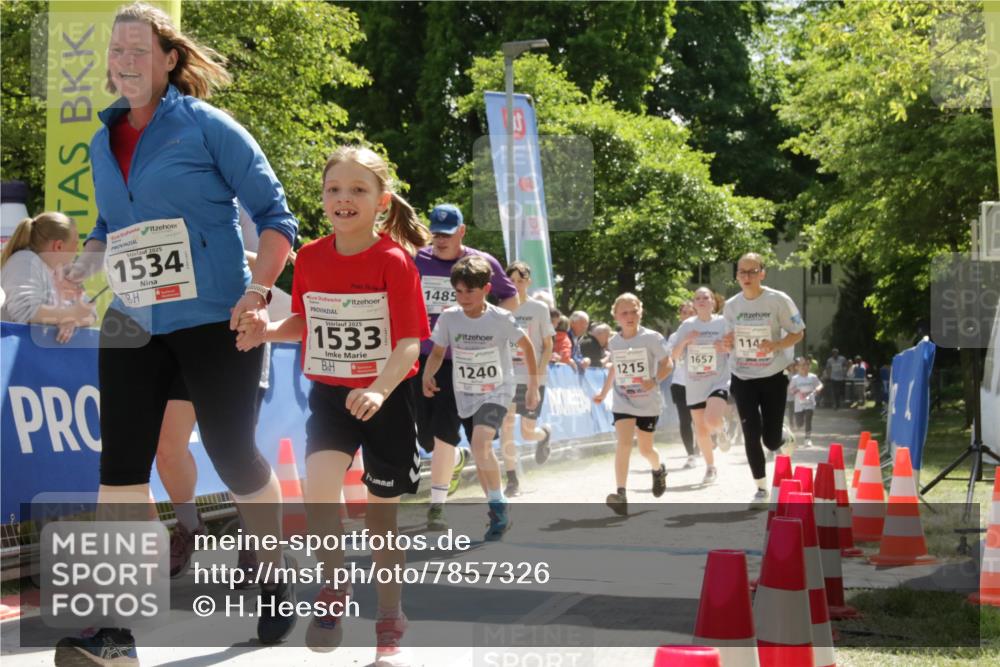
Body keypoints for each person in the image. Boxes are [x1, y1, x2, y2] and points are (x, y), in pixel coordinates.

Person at [56, 4, 298, 662]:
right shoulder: (101, 140)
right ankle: (115, 631)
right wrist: (86, 263)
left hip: (214, 318)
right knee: (120, 470)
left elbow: (277, 217)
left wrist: (256, 292)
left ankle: (275, 571)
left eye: (139, 49)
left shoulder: (207, 126)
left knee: (233, 453)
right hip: (134, 320)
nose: (125, 61)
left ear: (168, 59)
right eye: (116, 51)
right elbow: (113, 228)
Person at [248, 145, 430, 664]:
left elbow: (411, 342)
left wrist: (378, 388)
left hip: (386, 399)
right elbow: (304, 321)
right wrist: (266, 331)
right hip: (330, 394)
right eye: (334, 190)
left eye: (357, 190)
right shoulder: (309, 257)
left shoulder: (394, 261)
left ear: (381, 202)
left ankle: (390, 619)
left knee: (380, 521)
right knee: (319, 485)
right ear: (323, 198)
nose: (343, 199)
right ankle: (334, 585)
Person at [411, 204, 518, 530]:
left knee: (475, 440)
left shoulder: (482, 263)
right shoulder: (417, 260)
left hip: (469, 363)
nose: (441, 240)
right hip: (428, 360)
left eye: (448, 233)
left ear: (462, 231)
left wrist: (490, 335)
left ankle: (440, 507)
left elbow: (509, 298)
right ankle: (455, 462)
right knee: (428, 439)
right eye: (436, 233)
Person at [422, 255, 539, 540]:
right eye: (458, 291)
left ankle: (498, 507)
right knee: (480, 449)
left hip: (498, 389)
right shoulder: (449, 317)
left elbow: (527, 347)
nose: (463, 298)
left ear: (487, 289)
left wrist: (534, 386)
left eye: (470, 291)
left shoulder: (500, 318)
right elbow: (438, 352)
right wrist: (428, 374)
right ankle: (497, 504)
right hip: (466, 390)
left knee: (480, 441)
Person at [721, 253, 805, 508]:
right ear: (736, 276)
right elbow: (728, 340)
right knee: (750, 431)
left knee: (770, 440)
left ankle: (782, 436)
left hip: (773, 375)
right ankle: (760, 489)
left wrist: (776, 344)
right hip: (742, 375)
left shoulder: (778, 300)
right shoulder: (731, 305)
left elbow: (798, 333)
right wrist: (727, 342)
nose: (746, 277)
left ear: (762, 273)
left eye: (752, 271)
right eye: (742, 272)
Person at [593, 293, 672, 516]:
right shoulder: (615, 341)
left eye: (633, 312)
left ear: (640, 312)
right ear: (616, 316)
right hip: (623, 400)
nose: (629, 316)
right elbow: (615, 368)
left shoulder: (652, 338)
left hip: (647, 402)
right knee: (624, 444)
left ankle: (658, 470)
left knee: (646, 449)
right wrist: (603, 393)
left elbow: (668, 364)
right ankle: (621, 494)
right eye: (624, 313)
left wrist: (654, 380)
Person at [500, 261, 554, 497]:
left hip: (532, 377)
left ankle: (545, 435)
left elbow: (548, 344)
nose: (516, 285)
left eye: (521, 281)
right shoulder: (500, 308)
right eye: (512, 280)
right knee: (506, 427)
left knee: (527, 432)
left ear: (528, 282)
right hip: (507, 377)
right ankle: (512, 480)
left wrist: (537, 377)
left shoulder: (539, 309)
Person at [0, 212, 96, 342]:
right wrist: (70, 315)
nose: (78, 249)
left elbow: (91, 313)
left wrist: (71, 321)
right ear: (59, 246)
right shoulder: (24, 261)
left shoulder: (61, 272)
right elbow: (25, 312)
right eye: (75, 243)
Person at [670, 288, 731, 485]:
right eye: (698, 298)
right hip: (695, 383)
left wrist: (726, 347)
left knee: (712, 419)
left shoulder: (723, 323)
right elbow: (674, 355)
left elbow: (735, 347)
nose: (702, 301)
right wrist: (687, 340)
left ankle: (721, 428)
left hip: (718, 379)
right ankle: (710, 467)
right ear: (694, 304)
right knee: (701, 430)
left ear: (714, 301)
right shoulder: (687, 325)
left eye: (706, 297)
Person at [664, 301, 697, 469]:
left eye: (691, 312)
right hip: (680, 382)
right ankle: (691, 454)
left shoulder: (705, 331)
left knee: (703, 420)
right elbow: (672, 357)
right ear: (680, 316)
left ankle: (710, 438)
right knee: (685, 420)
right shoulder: (674, 336)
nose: (687, 315)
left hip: (702, 382)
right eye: (684, 312)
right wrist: (684, 341)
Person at [788, 357, 823, 447]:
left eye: (806, 365)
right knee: (799, 424)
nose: (804, 367)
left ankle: (807, 439)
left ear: (809, 366)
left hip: (810, 403)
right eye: (801, 365)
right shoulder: (795, 378)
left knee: (808, 419)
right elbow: (790, 390)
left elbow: (820, 384)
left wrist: (817, 389)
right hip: (799, 404)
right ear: (797, 367)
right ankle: (794, 436)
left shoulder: (813, 377)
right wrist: (796, 391)